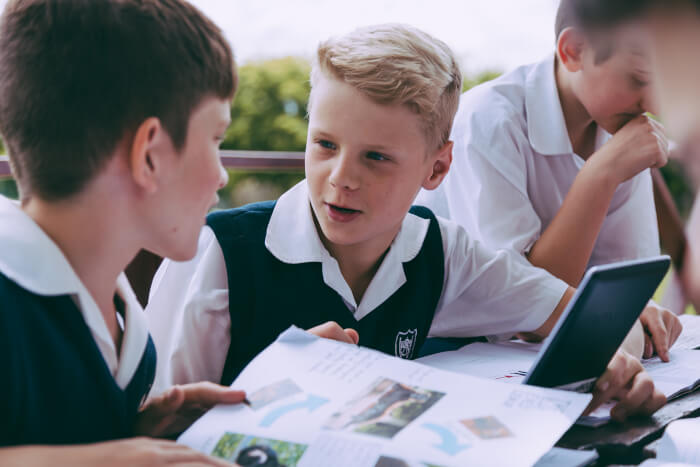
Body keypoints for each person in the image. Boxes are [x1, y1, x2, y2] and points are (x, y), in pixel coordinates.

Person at [147, 23, 664, 422]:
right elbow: (151, 428)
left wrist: (613, 360)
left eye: (376, 157)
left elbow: (568, 310)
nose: (341, 178)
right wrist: (279, 383)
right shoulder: (219, 256)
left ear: (437, 168)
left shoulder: (442, 251)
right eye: (325, 144)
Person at [0, 0, 354, 464]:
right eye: (215, 140)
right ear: (149, 155)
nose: (222, 176)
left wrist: (139, 430)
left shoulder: (127, 323)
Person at [416, 0, 682, 361]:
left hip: (533, 347)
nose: (654, 103)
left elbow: (622, 286)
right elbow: (521, 308)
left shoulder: (616, 129)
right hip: (447, 343)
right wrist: (599, 175)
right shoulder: (489, 122)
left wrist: (635, 310)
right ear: (574, 51)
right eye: (640, 78)